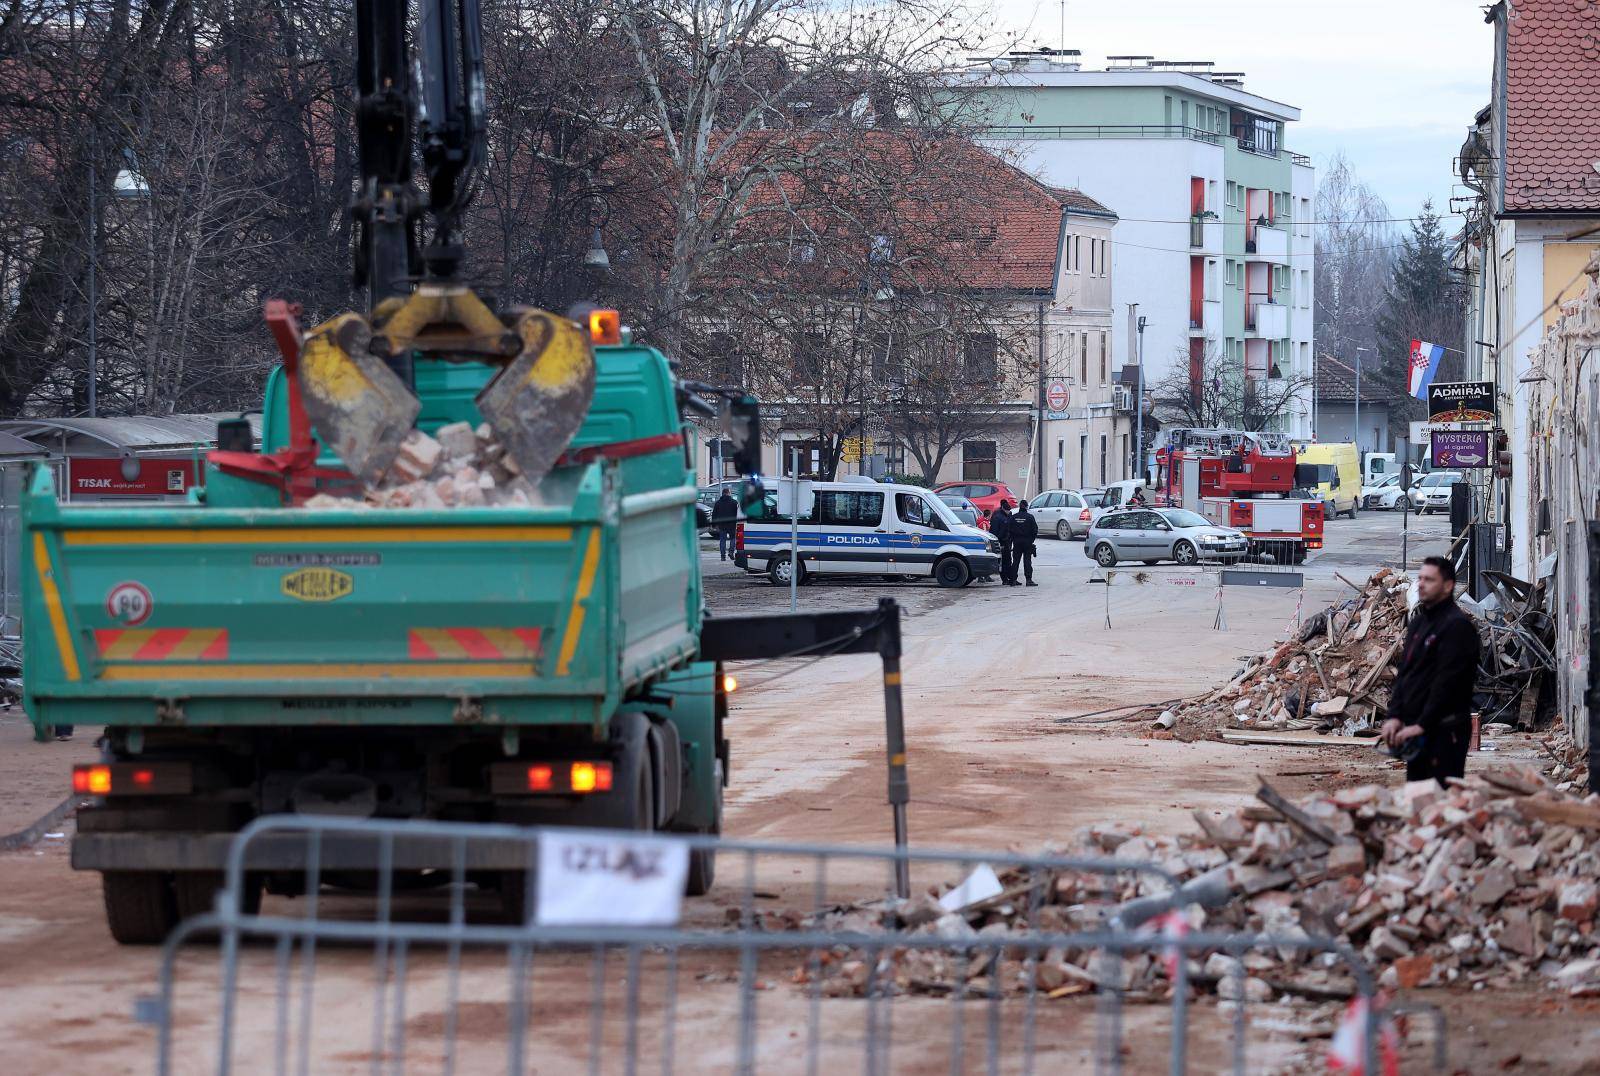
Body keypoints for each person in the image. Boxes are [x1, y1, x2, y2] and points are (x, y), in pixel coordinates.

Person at [1379, 556, 1481, 786]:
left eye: (1429, 580)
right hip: (1416, 732)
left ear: (1447, 586)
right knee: (1418, 796)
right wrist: (1394, 716)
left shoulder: (1457, 627)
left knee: (1440, 800)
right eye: (1420, 578)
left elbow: (1448, 683)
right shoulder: (1418, 623)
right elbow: (1405, 674)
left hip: (1445, 731)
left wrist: (1422, 724)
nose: (1421, 584)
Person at [1009, 499, 1039, 586]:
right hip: (1027, 542)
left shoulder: (1013, 517)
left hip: (1017, 542)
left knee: (1015, 561)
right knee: (1027, 561)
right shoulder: (1030, 517)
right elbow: (1035, 530)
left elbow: (1009, 529)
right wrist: (1031, 540)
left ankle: (1013, 580)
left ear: (1019, 506)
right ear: (1026, 507)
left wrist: (1013, 539)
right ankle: (1028, 580)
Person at [988, 499, 1015, 585]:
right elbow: (994, 531)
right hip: (1001, 542)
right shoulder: (997, 516)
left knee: (1008, 561)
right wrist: (999, 543)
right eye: (1007, 511)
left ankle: (1011, 578)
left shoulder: (1009, 515)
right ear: (1003, 508)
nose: (1008, 512)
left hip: (1008, 541)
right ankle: (1005, 579)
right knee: (1003, 562)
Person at [711, 487, 739, 561]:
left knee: (722, 540)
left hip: (722, 525)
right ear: (729, 493)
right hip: (732, 524)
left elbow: (714, 514)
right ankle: (731, 552)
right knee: (733, 539)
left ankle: (723, 556)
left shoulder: (718, 503)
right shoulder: (734, 502)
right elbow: (737, 514)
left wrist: (714, 525)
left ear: (723, 493)